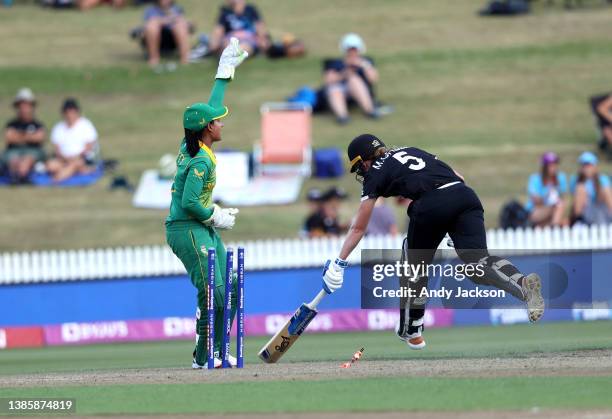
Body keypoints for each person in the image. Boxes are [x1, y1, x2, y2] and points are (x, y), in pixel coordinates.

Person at [321, 134, 545, 350]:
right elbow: (458, 177)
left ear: (367, 157)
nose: (362, 171)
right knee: (477, 264)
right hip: (465, 197)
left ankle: (412, 329)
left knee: (413, 263)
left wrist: (339, 263)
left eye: (360, 165)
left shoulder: (374, 174)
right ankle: (523, 285)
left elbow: (359, 227)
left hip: (432, 205)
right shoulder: (410, 150)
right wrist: (449, 223)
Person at [165, 38, 247, 369]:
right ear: (207, 129)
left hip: (200, 227)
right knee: (212, 289)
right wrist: (216, 215)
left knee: (232, 285)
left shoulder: (195, 144)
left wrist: (223, 72)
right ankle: (203, 357)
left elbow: (211, 104)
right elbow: (187, 203)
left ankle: (218, 347)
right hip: (186, 228)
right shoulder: (200, 161)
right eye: (218, 121)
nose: (222, 122)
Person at [323, 33, 380, 124]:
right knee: (335, 89)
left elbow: (373, 79)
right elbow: (328, 80)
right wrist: (345, 73)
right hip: (339, 92)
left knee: (354, 80)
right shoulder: (336, 63)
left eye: (354, 49)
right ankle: (342, 116)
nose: (352, 52)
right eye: (350, 49)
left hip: (358, 90)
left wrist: (363, 65)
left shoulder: (366, 62)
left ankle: (369, 110)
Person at [47, 99, 99, 182]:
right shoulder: (58, 128)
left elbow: (89, 146)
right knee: (51, 165)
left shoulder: (86, 125)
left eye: (72, 112)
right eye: (67, 112)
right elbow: (57, 149)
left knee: (75, 164)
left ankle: (57, 179)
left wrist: (76, 157)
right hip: (64, 159)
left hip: (81, 158)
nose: (69, 115)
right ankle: (79, 170)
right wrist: (66, 158)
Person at [2, 88, 46, 184]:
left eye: (26, 105)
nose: (24, 108)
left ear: (31, 106)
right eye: (21, 105)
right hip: (14, 151)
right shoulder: (12, 124)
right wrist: (29, 136)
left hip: (33, 151)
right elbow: (9, 137)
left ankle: (22, 176)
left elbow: (40, 137)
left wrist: (19, 136)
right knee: (13, 159)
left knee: (28, 159)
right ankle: (15, 176)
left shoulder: (37, 124)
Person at [525, 152, 568, 227]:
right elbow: (536, 201)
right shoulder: (535, 179)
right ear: (545, 167)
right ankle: (554, 228)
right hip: (536, 211)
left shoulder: (561, 178)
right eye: (551, 165)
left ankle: (553, 227)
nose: (554, 167)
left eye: (555, 164)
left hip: (554, 211)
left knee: (560, 209)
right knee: (558, 207)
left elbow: (563, 198)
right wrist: (548, 196)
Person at [143, 0, 191, 69]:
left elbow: (183, 21)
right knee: (152, 26)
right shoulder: (151, 10)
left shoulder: (177, 9)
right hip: (156, 38)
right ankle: (154, 59)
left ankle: (185, 59)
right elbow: (149, 24)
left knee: (180, 26)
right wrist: (167, 20)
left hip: (173, 39)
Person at [570, 152, 612, 225]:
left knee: (605, 190)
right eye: (584, 165)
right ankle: (579, 221)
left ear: (594, 166)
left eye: (588, 165)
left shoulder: (602, 179)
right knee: (580, 188)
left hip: (601, 210)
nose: (586, 168)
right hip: (586, 212)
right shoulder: (576, 180)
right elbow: (576, 203)